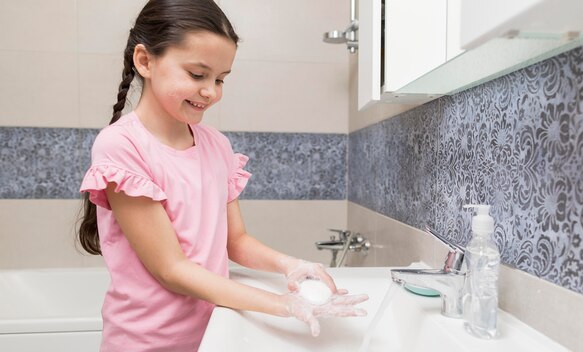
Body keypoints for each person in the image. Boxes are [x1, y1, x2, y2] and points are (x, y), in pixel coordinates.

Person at [76, 1, 368, 351]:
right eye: (197, 75)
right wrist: (281, 305)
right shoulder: (122, 146)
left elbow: (236, 241)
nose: (211, 91)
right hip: (146, 343)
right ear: (145, 61)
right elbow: (171, 268)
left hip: (212, 334)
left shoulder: (216, 145)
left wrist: (291, 265)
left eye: (220, 79)